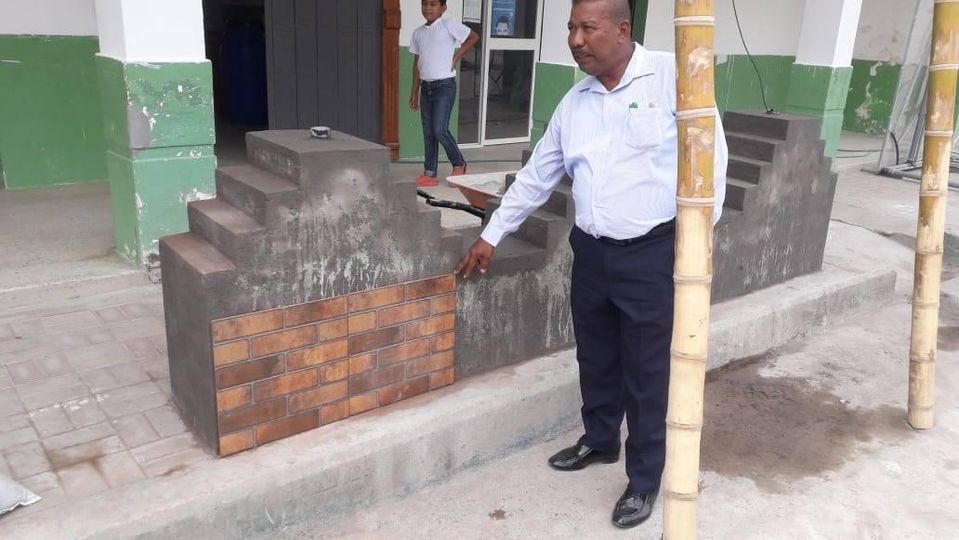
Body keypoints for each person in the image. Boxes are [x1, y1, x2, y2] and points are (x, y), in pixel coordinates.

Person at [454, 0, 728, 530]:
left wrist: (695, 245)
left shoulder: (673, 78)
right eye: (570, 29)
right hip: (593, 253)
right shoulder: (574, 102)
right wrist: (492, 233)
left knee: (646, 373)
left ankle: (644, 478)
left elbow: (711, 163)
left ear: (623, 30)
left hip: (653, 254)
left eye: (588, 28)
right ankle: (600, 439)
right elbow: (538, 174)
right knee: (597, 356)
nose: (576, 40)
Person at [409, 0, 480, 187]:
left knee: (440, 129)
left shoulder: (448, 25)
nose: (428, 8)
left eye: (433, 4)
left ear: (443, 8)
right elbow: (417, 64)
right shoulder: (418, 33)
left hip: (444, 87)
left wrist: (456, 56)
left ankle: (459, 163)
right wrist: (414, 91)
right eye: (424, 4)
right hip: (426, 87)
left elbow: (473, 37)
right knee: (428, 132)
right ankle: (429, 173)